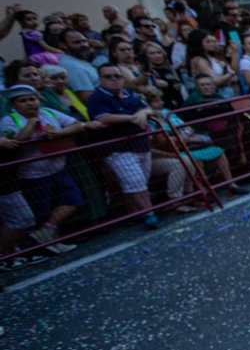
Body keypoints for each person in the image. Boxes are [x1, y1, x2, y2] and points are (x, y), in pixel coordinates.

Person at [0, 83, 99, 252]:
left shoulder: (48, 112)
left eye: (32, 99)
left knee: (71, 200)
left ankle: (46, 234)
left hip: (58, 168)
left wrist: (61, 133)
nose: (30, 103)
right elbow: (17, 142)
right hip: (33, 174)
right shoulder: (9, 120)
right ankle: (41, 244)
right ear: (14, 105)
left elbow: (76, 124)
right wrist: (31, 124)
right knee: (41, 211)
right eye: (23, 101)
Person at [86, 61, 158, 228]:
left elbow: (147, 108)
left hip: (140, 145)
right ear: (100, 80)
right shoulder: (96, 98)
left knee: (139, 183)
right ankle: (150, 213)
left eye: (117, 76)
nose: (114, 79)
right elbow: (102, 118)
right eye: (108, 77)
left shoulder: (129, 94)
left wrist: (142, 113)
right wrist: (132, 118)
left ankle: (136, 213)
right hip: (118, 150)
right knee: (135, 182)